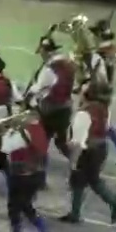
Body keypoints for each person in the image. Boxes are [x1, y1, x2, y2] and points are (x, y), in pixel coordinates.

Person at [60, 82, 116, 224]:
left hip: (88, 150)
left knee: (86, 180)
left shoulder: (83, 113)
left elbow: (78, 142)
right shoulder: (104, 109)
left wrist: (73, 161)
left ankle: (114, 203)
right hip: (101, 148)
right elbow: (105, 128)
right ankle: (75, 213)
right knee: (84, 180)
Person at [0, 104, 53, 232]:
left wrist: (7, 131)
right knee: (27, 206)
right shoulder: (40, 129)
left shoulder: (23, 132)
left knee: (14, 209)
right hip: (36, 174)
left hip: (21, 175)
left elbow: (5, 148)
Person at [25, 35, 75, 171]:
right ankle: (78, 163)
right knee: (61, 142)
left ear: (45, 52)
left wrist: (28, 96)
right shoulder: (66, 63)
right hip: (65, 108)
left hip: (50, 110)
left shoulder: (48, 68)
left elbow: (39, 88)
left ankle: (40, 177)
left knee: (41, 142)